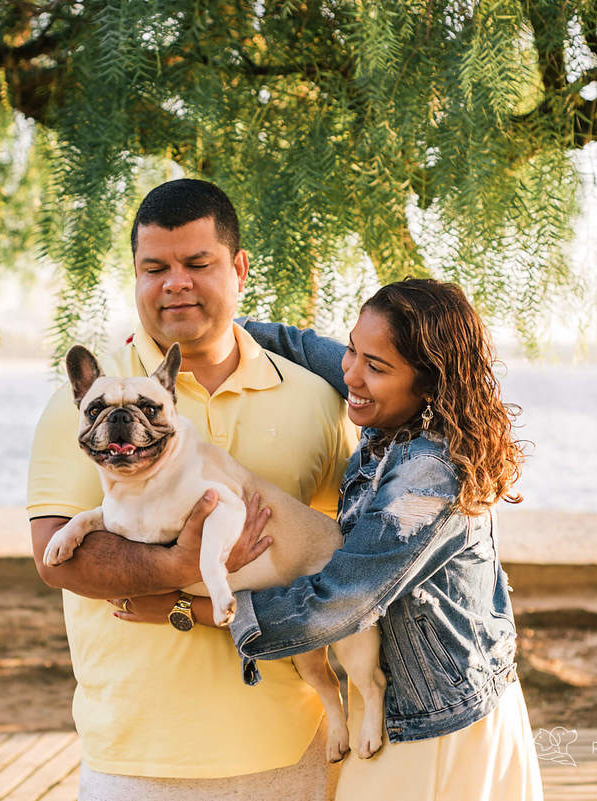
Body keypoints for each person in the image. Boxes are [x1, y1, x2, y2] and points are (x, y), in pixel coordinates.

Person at [118, 279, 545, 800]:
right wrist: (211, 333)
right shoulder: (391, 407)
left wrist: (181, 607)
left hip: (439, 723)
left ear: (428, 383)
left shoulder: (428, 476)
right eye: (352, 350)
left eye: (376, 367)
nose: (351, 375)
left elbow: (335, 603)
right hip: (401, 708)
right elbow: (299, 346)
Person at [27, 178, 357, 800]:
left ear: (238, 268)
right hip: (138, 751)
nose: (175, 282)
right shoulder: (88, 408)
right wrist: (184, 564)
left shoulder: (315, 399)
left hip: (291, 743)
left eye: (196, 263)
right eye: (155, 268)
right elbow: (57, 560)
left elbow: (343, 562)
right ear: (134, 277)